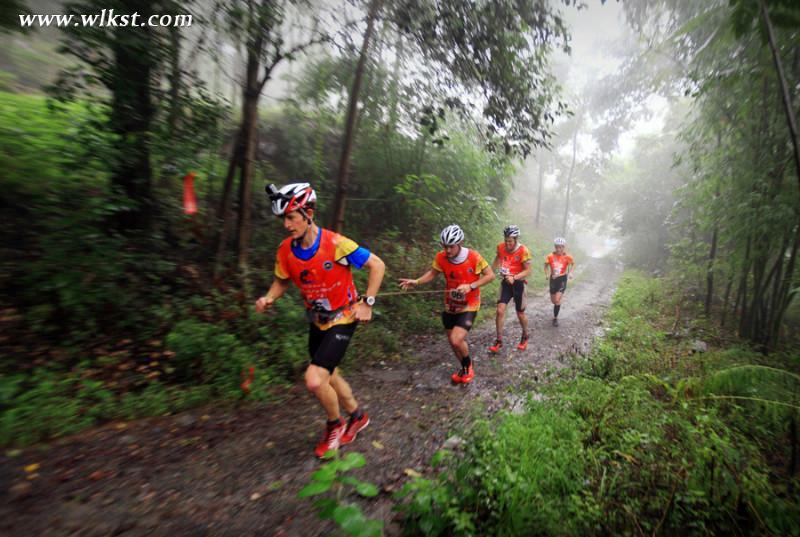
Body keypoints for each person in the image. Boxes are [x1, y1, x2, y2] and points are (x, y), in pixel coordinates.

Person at [255, 183, 386, 458]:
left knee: (315, 380)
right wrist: (269, 297)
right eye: (284, 219)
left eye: (291, 217)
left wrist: (367, 302)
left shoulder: (336, 243)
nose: (287, 225)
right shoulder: (285, 251)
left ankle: (334, 425)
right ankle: (357, 416)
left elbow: (377, 264)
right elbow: (282, 280)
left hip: (344, 317)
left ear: (309, 213)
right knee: (330, 374)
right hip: (317, 322)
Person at [398, 225, 494, 384]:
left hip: (470, 304)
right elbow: (432, 273)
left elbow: (490, 276)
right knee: (452, 341)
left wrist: (471, 286)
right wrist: (416, 281)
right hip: (450, 305)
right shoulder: (441, 257)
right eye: (445, 246)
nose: (448, 250)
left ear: (460, 243)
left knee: (457, 339)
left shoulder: (474, 257)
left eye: (451, 246)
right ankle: (464, 369)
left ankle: (468, 366)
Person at [489, 225, 533, 352]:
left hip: (519, 284)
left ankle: (525, 335)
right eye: (506, 240)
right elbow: (498, 258)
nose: (507, 243)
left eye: (510, 241)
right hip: (506, 283)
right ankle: (498, 340)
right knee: (500, 310)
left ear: (516, 239)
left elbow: (528, 271)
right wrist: (491, 271)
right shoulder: (501, 247)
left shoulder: (524, 251)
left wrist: (515, 277)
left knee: (520, 313)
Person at [544, 237, 574, 327]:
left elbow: (572, 264)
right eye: (557, 247)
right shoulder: (550, 256)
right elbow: (545, 266)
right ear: (555, 247)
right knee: (553, 300)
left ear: (563, 247)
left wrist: (571, 273)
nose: (558, 249)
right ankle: (557, 302)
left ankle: (555, 318)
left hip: (562, 279)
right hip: (553, 279)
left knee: (557, 300)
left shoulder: (567, 257)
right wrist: (546, 274)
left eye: (560, 247)